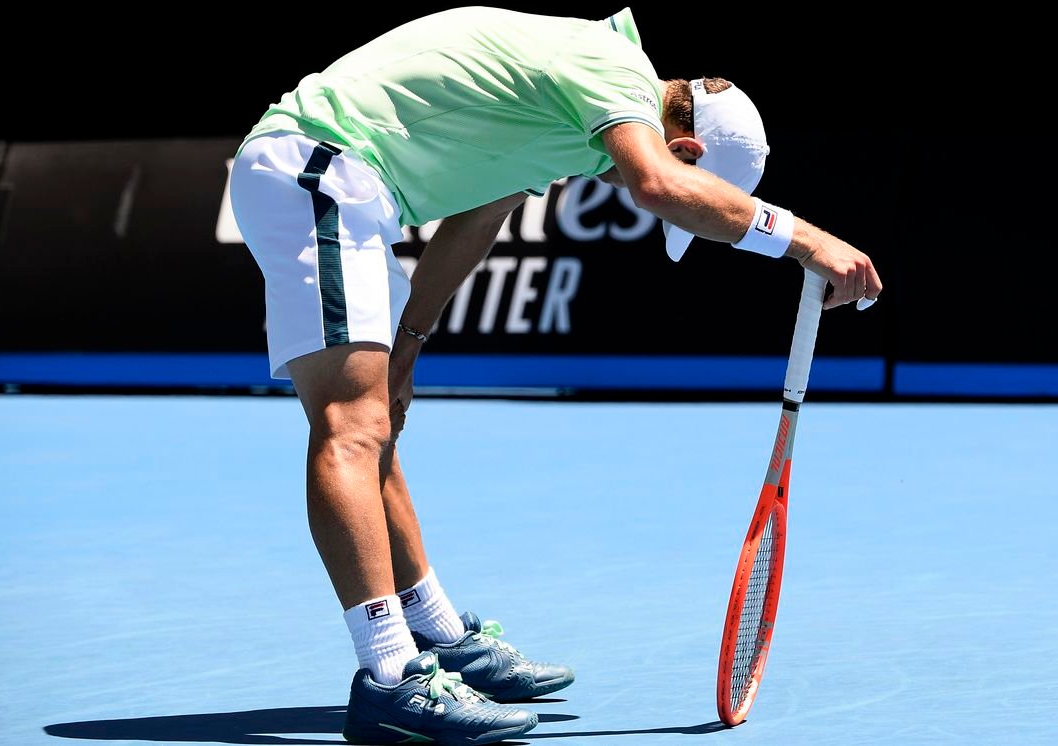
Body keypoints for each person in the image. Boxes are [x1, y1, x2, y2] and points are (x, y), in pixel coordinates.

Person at [229, 6, 882, 744]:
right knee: (351, 429)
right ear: (685, 147)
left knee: (373, 425)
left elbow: (479, 216)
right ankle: (389, 676)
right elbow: (657, 185)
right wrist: (807, 241)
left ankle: (435, 634)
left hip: (339, 181)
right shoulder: (613, 70)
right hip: (321, 170)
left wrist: (409, 341)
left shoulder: (565, 109)